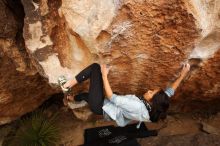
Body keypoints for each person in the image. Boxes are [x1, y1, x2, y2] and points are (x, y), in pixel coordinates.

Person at [58, 63, 190, 128]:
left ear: (151, 102)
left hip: (101, 106)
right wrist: (183, 74)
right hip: (105, 107)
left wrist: (104, 75)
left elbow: (111, 97)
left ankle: (67, 85)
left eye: (151, 92)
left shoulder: (137, 106)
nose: (149, 90)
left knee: (95, 68)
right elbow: (170, 92)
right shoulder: (155, 107)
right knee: (87, 96)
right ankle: (71, 98)